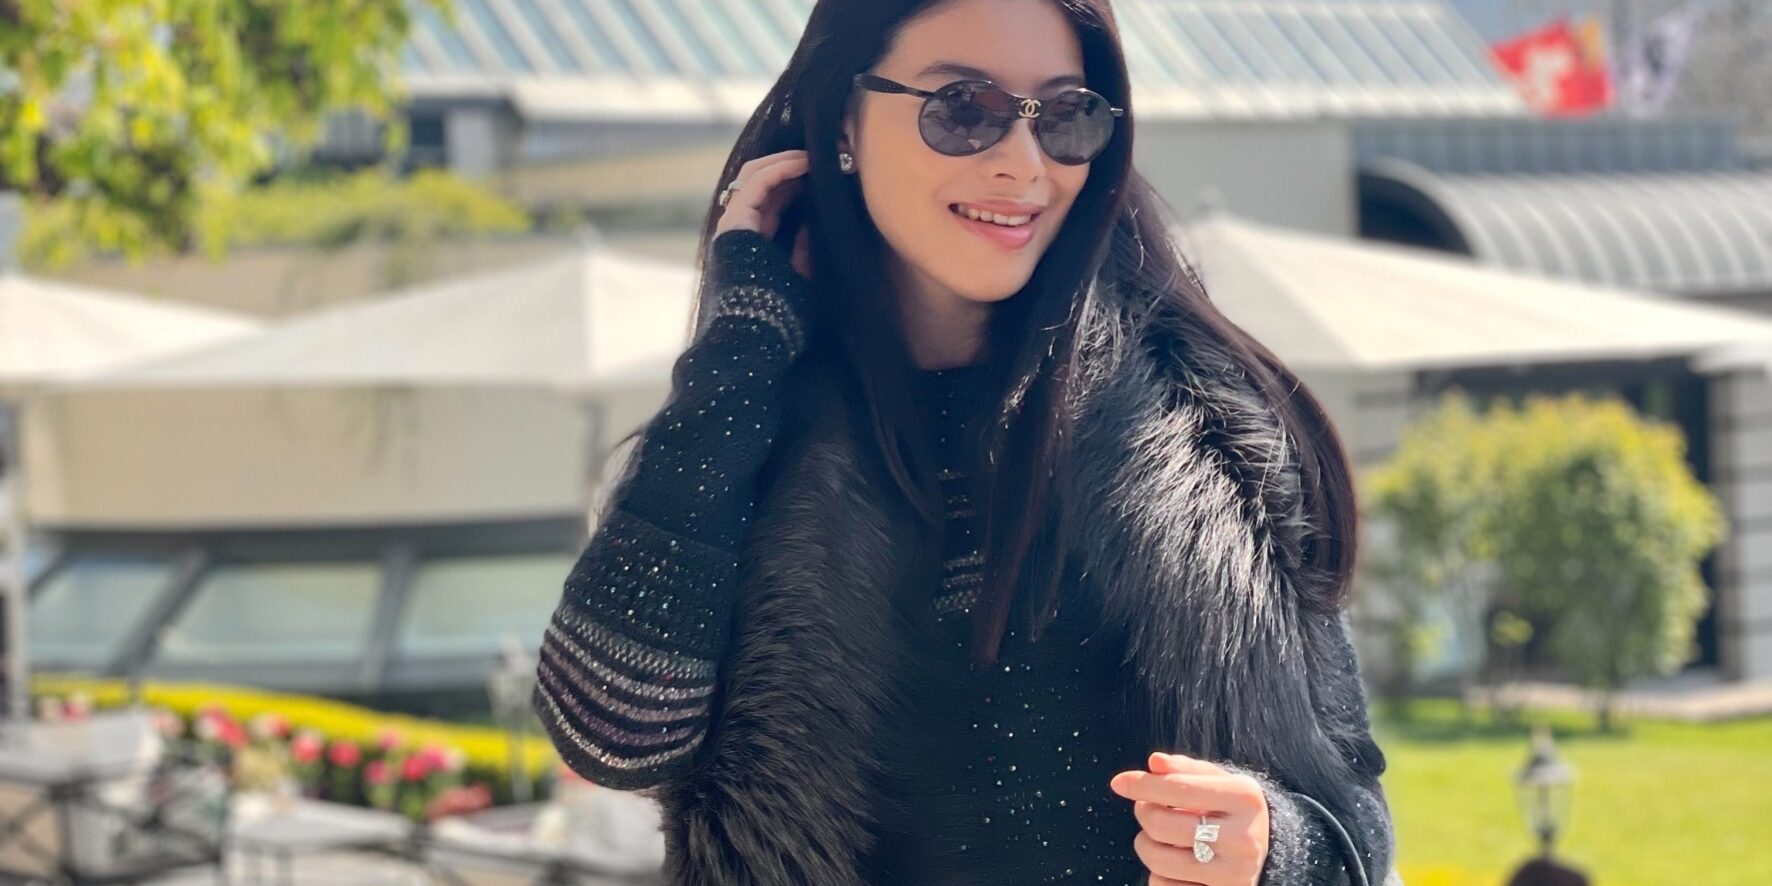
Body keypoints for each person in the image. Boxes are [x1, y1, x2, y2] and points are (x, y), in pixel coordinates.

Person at [531, 1, 1399, 884]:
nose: (1023, 163)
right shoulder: (746, 426)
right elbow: (613, 736)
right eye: (964, 110)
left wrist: (1274, 849)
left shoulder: (1212, 437)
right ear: (844, 119)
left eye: (1065, 117)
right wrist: (739, 348)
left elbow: (1355, 810)